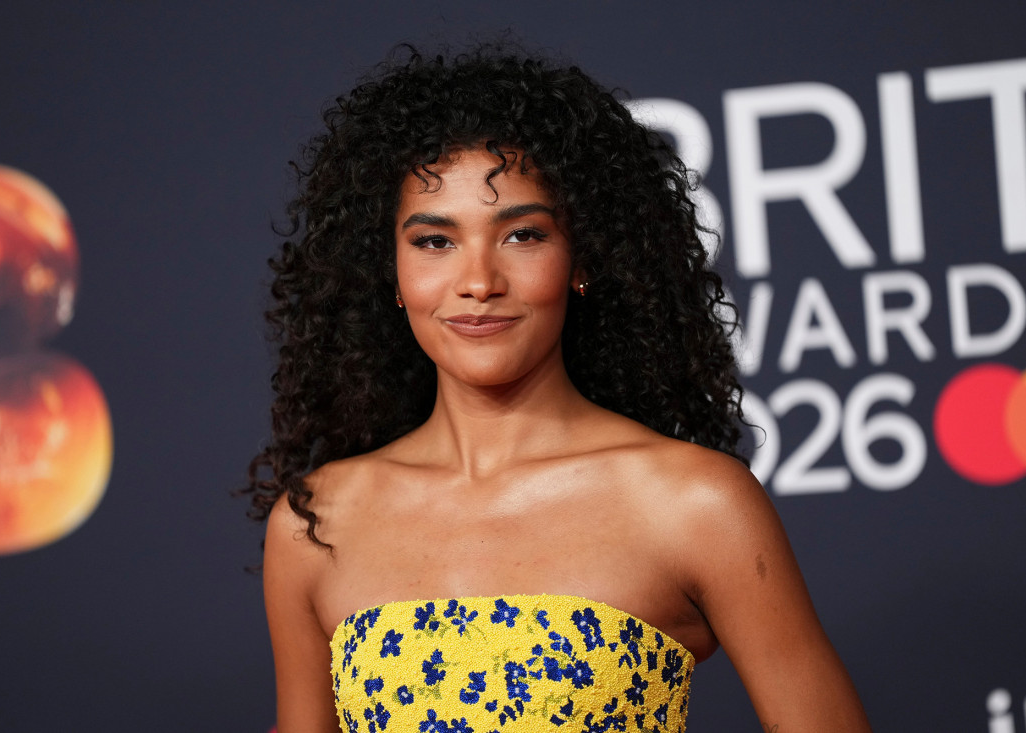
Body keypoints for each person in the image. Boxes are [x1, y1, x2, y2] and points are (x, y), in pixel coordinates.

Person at [247, 44, 871, 733]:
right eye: (434, 242)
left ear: (581, 259)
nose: (478, 282)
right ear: (390, 272)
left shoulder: (696, 503)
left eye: (522, 235)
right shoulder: (315, 524)